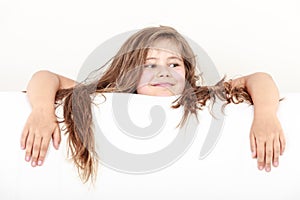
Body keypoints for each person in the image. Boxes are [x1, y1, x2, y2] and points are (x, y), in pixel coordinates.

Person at [20, 25, 285, 183]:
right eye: (150, 65)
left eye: (174, 64)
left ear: (186, 73)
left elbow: (259, 78)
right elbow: (45, 77)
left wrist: (265, 116)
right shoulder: (106, 96)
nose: (164, 72)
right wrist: (43, 112)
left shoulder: (201, 96)